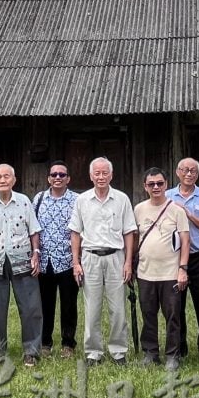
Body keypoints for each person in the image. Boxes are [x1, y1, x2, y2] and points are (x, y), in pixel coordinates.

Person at [69, 157, 137, 366]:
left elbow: (129, 232)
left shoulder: (122, 199)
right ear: (91, 176)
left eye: (104, 173)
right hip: (90, 257)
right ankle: (93, 352)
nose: (101, 177)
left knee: (118, 308)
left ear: (111, 175)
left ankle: (118, 352)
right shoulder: (82, 200)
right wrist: (76, 262)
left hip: (115, 256)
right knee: (92, 307)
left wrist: (127, 262)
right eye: (97, 173)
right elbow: (75, 232)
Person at [0, 164, 43, 365]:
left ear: (14, 180)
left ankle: (31, 350)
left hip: (23, 259)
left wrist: (36, 253)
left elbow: (34, 231)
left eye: (7, 176)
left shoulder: (23, 202)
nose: (3, 180)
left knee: (31, 308)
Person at [134, 167, 190, 370]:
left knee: (173, 316)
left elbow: (185, 241)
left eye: (159, 183)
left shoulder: (177, 210)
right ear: (145, 187)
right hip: (145, 272)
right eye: (151, 184)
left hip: (170, 273)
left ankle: (173, 355)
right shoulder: (139, 209)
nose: (156, 187)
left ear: (166, 184)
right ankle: (150, 352)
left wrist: (182, 268)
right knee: (148, 313)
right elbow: (134, 239)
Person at [166, 157, 199, 363]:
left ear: (197, 174)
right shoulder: (168, 195)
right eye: (185, 170)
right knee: (175, 305)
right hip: (174, 257)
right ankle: (179, 347)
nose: (189, 174)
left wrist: (187, 214)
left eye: (193, 171)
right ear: (177, 172)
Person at [32, 160, 79, 359]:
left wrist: (79, 259)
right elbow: (32, 226)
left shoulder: (78, 200)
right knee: (45, 304)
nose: (57, 178)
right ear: (48, 178)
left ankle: (68, 344)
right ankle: (45, 342)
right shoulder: (39, 198)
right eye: (54, 175)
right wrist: (34, 253)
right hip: (44, 260)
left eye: (62, 174)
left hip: (68, 259)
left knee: (69, 305)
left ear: (68, 178)